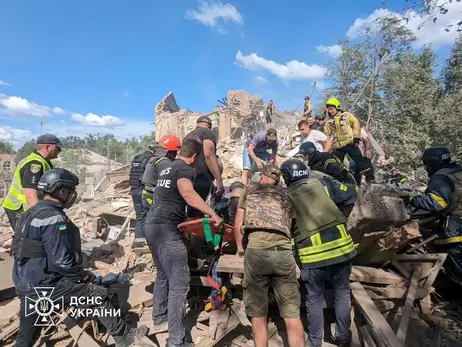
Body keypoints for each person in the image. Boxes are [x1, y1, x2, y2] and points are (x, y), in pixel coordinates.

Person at [11, 168, 147, 347]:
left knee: (26, 337)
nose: (72, 195)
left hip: (25, 282)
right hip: (47, 283)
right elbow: (60, 262)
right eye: (70, 190)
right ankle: (124, 337)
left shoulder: (29, 213)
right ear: (61, 191)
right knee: (96, 294)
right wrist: (82, 276)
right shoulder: (53, 218)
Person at [144, 139, 223, 347]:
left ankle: (159, 316)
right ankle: (177, 340)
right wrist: (213, 213)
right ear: (195, 157)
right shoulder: (184, 169)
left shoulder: (167, 168)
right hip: (167, 229)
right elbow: (187, 193)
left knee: (163, 273)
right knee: (180, 283)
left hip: (151, 226)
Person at [280, 159, 357, 347]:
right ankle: (343, 338)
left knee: (313, 299)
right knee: (342, 292)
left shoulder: (286, 195)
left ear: (286, 177)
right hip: (341, 248)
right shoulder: (324, 182)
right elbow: (350, 195)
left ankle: (315, 342)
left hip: (313, 255)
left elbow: (284, 225)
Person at [233, 164, 305, 347]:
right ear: (277, 181)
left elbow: (238, 224)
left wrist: (241, 249)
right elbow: (288, 227)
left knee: (258, 313)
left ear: (262, 177)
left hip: (257, 252)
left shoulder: (250, 190)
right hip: (283, 253)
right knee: (292, 313)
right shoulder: (286, 195)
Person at [403, 146, 462, 284]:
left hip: (457, 230)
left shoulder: (440, 177)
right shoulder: (457, 170)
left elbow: (437, 203)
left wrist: (411, 199)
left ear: (431, 163)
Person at [2, 134, 62, 234]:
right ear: (47, 147)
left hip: (28, 208)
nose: (60, 150)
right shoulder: (34, 164)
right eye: (57, 147)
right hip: (20, 208)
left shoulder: (44, 162)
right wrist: (41, 218)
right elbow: (30, 196)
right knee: (25, 239)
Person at [323, 97, 375, 185]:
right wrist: (325, 150)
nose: (330, 111)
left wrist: (356, 138)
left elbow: (356, 123)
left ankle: (370, 178)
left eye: (331, 109)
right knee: (335, 165)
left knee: (361, 161)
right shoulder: (329, 122)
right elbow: (326, 136)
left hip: (350, 143)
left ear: (337, 107)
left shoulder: (346, 115)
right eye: (328, 110)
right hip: (338, 146)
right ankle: (338, 181)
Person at [140, 135, 181, 243]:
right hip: (152, 196)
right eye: (174, 152)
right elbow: (169, 181)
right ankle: (155, 245)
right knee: (159, 223)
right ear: (169, 151)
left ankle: (151, 244)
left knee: (151, 221)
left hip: (147, 194)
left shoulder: (153, 159)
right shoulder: (164, 162)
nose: (175, 155)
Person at [183, 115, 223, 218]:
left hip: (188, 176)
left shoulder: (187, 136)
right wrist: (219, 179)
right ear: (209, 126)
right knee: (201, 209)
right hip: (202, 177)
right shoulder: (208, 133)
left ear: (197, 124)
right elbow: (208, 154)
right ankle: (199, 233)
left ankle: (190, 232)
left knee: (191, 209)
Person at [129, 143, 156, 248]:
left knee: (140, 216)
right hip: (144, 191)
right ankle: (149, 242)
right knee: (149, 215)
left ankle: (139, 241)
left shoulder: (137, 158)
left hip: (134, 190)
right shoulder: (150, 159)